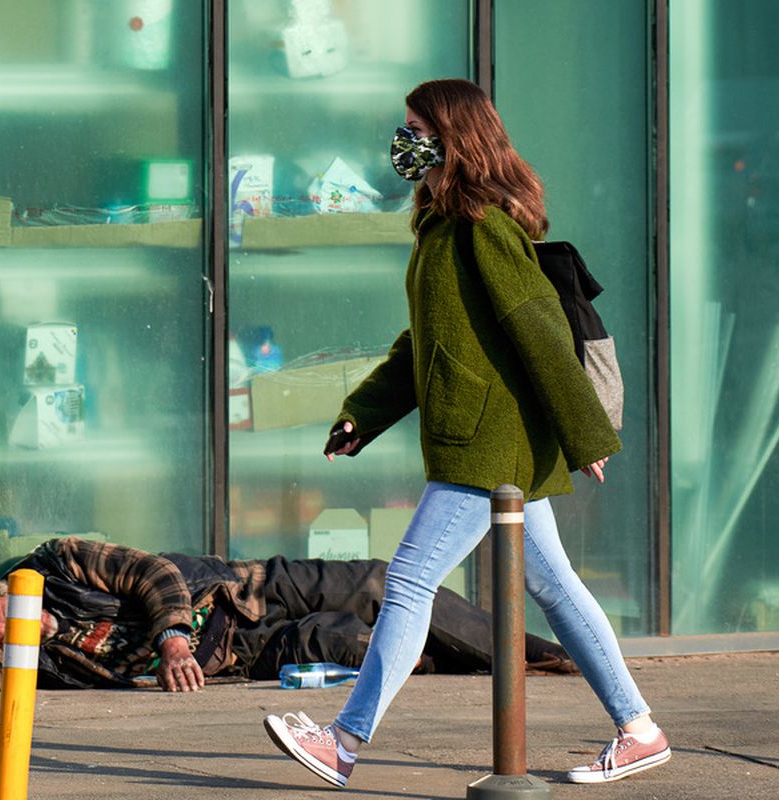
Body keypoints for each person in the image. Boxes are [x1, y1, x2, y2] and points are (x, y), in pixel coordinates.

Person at [261, 78, 671, 788]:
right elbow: (423, 345)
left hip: (487, 444)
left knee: (412, 581)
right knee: (555, 585)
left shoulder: (482, 228)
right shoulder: (443, 229)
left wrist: (588, 434)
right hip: (488, 437)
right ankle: (639, 728)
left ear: (455, 136)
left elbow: (539, 330)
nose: (404, 139)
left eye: (416, 126)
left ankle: (344, 740)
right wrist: (366, 413)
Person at [0, 536, 575, 700]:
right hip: (240, 653)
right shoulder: (42, 657)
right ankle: (489, 661)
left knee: (380, 583)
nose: (23, 623)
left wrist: (174, 638)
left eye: (14, 608)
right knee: (356, 642)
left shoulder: (58, 563)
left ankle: (537, 654)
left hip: (239, 593)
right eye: (8, 630)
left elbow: (151, 572)